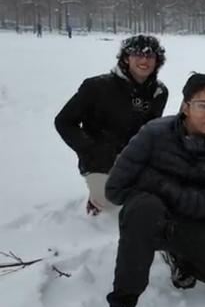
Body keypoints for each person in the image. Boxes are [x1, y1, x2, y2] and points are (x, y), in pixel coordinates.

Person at [104, 73, 205, 307]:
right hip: (148, 220)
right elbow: (115, 190)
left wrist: (158, 184)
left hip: (187, 225)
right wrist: (154, 200)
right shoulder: (154, 134)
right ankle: (124, 305)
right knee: (144, 208)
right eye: (202, 105)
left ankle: (179, 256)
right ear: (185, 107)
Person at [55, 35, 168, 215]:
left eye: (150, 56)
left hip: (135, 158)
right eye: (138, 54)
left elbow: (150, 130)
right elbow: (64, 122)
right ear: (125, 58)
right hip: (100, 160)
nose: (144, 60)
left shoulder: (159, 92)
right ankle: (97, 196)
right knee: (109, 206)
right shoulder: (96, 86)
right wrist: (89, 149)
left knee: (153, 199)